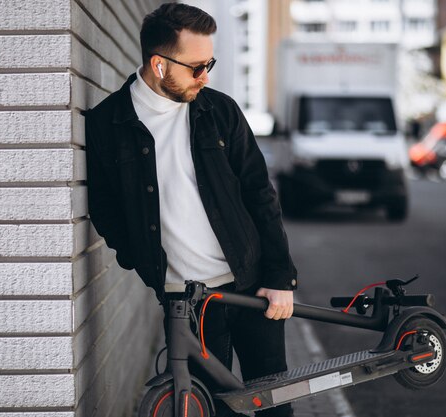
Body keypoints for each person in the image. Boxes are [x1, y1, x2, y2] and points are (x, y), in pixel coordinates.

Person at [85, 3, 298, 416]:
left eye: (210, 63)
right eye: (196, 67)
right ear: (159, 65)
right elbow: (105, 209)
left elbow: (260, 193)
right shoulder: (107, 124)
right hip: (187, 303)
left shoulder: (219, 112)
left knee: (274, 404)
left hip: (252, 286)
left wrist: (280, 277)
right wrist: (147, 266)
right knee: (210, 407)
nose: (206, 76)